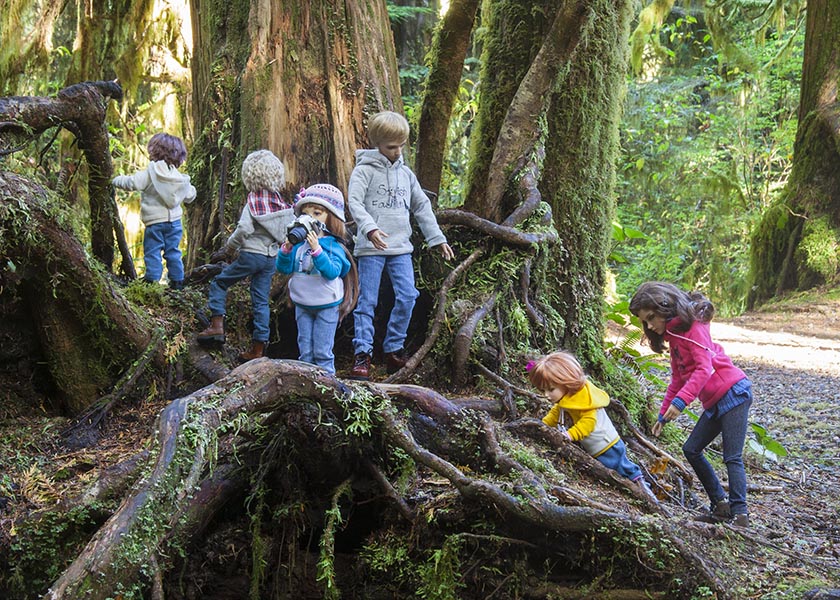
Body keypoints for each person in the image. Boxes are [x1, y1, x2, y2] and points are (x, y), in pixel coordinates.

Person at [629, 281, 752, 527]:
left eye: (651, 317)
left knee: (732, 457)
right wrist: (663, 415)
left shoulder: (694, 326)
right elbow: (677, 378)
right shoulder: (674, 336)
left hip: (734, 393)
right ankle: (720, 505)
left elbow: (704, 368)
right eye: (645, 321)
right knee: (691, 449)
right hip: (714, 402)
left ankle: (741, 515)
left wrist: (681, 402)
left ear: (665, 306)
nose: (650, 325)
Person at [346, 110, 455, 380]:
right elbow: (354, 202)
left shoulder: (406, 174)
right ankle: (362, 354)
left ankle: (393, 348)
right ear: (377, 144)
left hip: (401, 247)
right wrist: (370, 228)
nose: (397, 152)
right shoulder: (363, 171)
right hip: (372, 247)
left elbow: (421, 206)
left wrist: (437, 238)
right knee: (367, 301)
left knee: (408, 295)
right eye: (391, 147)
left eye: (401, 146)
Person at [197, 150, 293, 362]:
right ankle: (258, 348)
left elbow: (243, 228)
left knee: (220, 282)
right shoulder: (281, 205)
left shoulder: (253, 202)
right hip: (270, 258)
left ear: (249, 175)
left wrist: (229, 249)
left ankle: (216, 325)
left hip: (251, 255)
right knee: (261, 301)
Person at [527, 351, 656, 500]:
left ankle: (643, 487)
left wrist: (570, 435)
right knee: (609, 469)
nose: (546, 395)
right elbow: (555, 414)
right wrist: (542, 425)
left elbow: (588, 423)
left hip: (607, 444)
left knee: (621, 467)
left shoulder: (585, 399)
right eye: (542, 390)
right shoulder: (564, 400)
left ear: (566, 383)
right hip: (595, 446)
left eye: (551, 389)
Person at [276, 184, 358, 374]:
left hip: (327, 304)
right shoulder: (299, 246)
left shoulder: (333, 246)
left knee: (322, 351)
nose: (310, 218)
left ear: (331, 217)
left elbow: (332, 272)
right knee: (305, 351)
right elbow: (284, 268)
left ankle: (327, 384)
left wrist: (317, 250)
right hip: (302, 303)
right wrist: (286, 250)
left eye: (317, 213)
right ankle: (306, 382)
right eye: (305, 213)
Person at [112, 132, 196, 289]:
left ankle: (152, 280)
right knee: (173, 251)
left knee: (153, 251)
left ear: (154, 150)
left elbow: (133, 183)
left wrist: (115, 180)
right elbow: (190, 195)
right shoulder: (178, 177)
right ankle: (177, 281)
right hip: (174, 222)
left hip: (155, 222)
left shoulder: (151, 173)